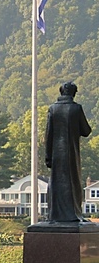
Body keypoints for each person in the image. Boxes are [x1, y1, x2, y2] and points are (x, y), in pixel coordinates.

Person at [45, 82, 92, 222]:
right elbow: (86, 131)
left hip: (56, 154)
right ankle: (74, 213)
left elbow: (48, 135)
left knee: (57, 183)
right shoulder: (76, 109)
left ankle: (56, 215)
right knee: (73, 183)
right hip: (71, 153)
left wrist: (48, 156)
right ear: (73, 93)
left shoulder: (53, 109)